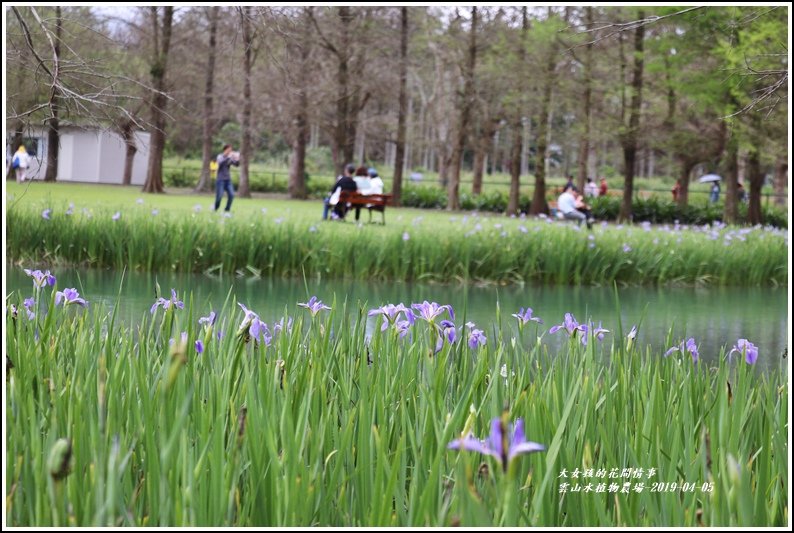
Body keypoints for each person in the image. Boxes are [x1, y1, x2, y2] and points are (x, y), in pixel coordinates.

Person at [214, 144, 239, 212]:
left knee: (231, 195)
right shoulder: (220, 156)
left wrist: (237, 159)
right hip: (220, 180)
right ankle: (215, 208)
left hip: (228, 180)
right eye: (229, 150)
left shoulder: (230, 157)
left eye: (231, 150)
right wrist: (228, 157)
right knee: (219, 196)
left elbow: (236, 165)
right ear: (225, 150)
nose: (230, 151)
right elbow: (220, 163)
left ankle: (227, 210)